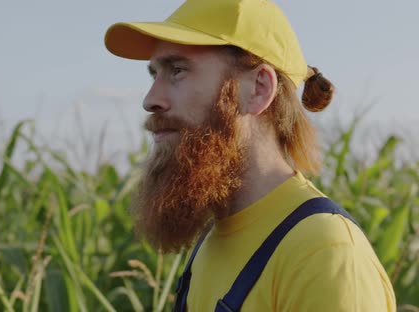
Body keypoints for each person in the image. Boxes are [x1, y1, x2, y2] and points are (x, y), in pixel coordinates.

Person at [104, 0, 397, 310]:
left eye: (177, 71)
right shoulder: (213, 237)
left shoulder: (324, 254)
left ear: (258, 89)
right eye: (154, 75)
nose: (151, 100)